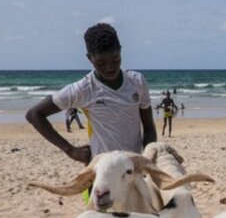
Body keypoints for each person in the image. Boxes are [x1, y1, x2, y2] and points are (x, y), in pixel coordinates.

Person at [26, 23, 156, 165]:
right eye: (101, 63)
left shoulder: (136, 81)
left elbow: (149, 128)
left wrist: (148, 158)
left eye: (115, 60)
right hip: (102, 170)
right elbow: (34, 114)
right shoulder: (84, 89)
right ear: (90, 58)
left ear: (120, 51)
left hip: (133, 168)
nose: (109, 67)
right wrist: (71, 151)